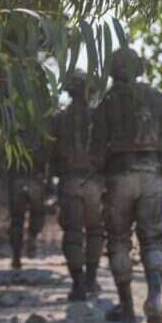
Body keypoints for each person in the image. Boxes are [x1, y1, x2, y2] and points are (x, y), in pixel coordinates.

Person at [91, 47, 162, 323]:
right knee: (154, 240)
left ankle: (126, 307)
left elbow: (94, 151)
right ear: (140, 68)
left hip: (119, 176)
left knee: (119, 240)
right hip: (155, 175)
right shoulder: (159, 97)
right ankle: (155, 298)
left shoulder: (107, 103)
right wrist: (161, 143)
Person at [50, 69, 104, 300]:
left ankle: (78, 284)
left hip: (70, 181)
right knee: (95, 231)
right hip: (95, 183)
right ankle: (91, 279)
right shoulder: (98, 117)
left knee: (72, 233)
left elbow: (51, 154)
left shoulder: (58, 119)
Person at [8, 128, 49, 270]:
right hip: (35, 180)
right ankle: (32, 237)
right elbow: (47, 158)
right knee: (38, 214)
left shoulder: (13, 134)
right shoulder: (40, 134)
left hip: (18, 181)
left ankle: (16, 257)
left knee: (16, 221)